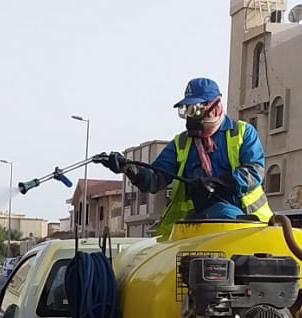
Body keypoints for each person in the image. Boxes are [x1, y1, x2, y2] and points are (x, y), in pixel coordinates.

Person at [99, 77, 272, 238]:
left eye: (195, 110)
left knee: (223, 213)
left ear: (216, 107)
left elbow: (254, 171)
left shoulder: (242, 133)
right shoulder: (181, 144)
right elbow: (155, 179)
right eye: (186, 111)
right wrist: (130, 169)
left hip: (248, 227)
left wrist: (218, 183)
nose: (190, 118)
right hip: (197, 228)